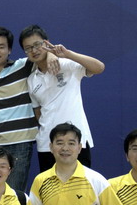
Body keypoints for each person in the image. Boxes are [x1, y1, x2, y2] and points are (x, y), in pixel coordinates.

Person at [0, 26, 59, 192]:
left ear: (9, 50)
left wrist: (51, 54)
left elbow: (41, 54)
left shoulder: (22, 66)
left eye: (1, 46)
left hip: (20, 143)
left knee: (13, 194)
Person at [19, 25, 105, 172]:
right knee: (50, 186)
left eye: (37, 45)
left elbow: (99, 67)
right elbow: (38, 113)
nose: (34, 50)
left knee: (80, 185)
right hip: (47, 144)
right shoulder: (32, 79)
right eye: (28, 48)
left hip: (76, 142)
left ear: (46, 43)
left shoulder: (67, 65)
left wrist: (68, 54)